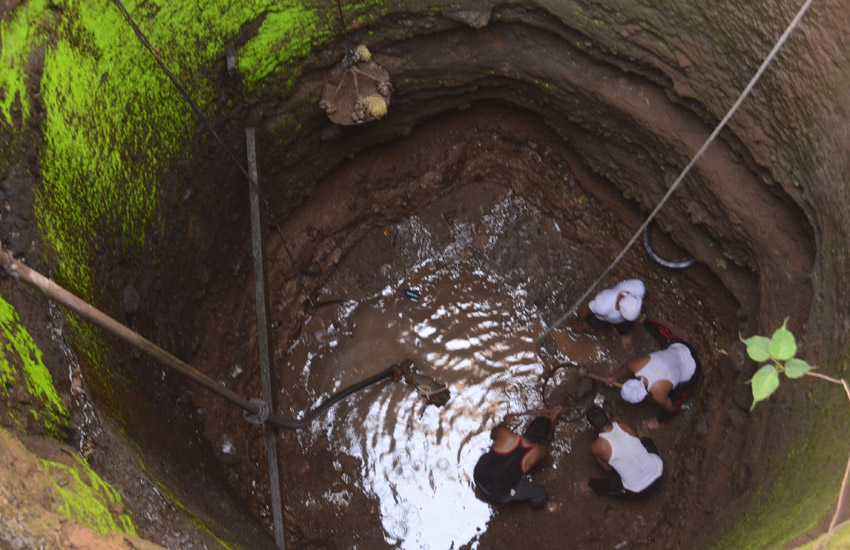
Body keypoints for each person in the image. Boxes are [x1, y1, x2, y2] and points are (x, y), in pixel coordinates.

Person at [605, 318, 701, 423]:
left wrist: (660, 400)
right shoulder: (635, 366)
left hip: (693, 370)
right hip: (681, 347)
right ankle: (644, 320)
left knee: (676, 399)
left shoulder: (658, 395)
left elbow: (672, 408)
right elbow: (626, 367)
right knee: (661, 333)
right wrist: (613, 377)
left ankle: (660, 421)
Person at [473, 407, 564, 510]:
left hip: (477, 475)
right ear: (542, 439)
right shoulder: (538, 452)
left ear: (527, 425)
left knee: (492, 455)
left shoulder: (505, 434)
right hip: (499, 495)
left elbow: (493, 434)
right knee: (540, 493)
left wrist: (505, 422)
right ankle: (545, 506)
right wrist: (553, 419)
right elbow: (548, 440)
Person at [585, 406, 663, 497]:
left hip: (638, 490)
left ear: (592, 427)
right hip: (659, 471)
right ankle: (644, 437)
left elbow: (608, 469)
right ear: (607, 415)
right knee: (644, 443)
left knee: (606, 484)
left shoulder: (596, 447)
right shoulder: (624, 424)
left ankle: (589, 485)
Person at [577, 279, 646, 346]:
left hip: (622, 321)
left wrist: (638, 316)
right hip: (603, 318)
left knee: (625, 327)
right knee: (595, 323)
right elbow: (584, 310)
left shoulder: (639, 288)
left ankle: (625, 333)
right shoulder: (603, 305)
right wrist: (579, 324)